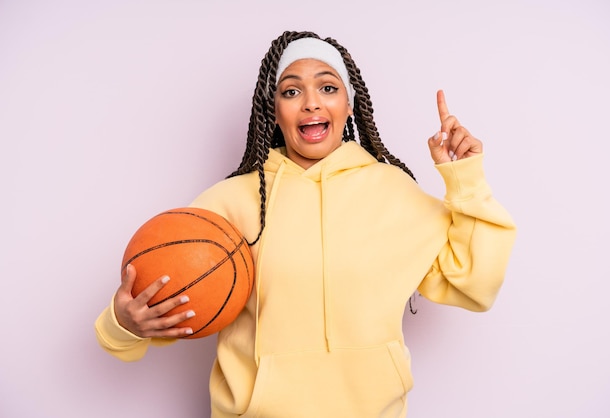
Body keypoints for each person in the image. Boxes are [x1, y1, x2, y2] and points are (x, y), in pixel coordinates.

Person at [95, 30, 516, 418]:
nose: (311, 102)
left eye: (328, 87)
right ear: (273, 111)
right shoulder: (230, 204)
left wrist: (465, 179)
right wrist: (123, 323)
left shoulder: (394, 193)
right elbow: (172, 304)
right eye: (291, 90)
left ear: (348, 104)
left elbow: (474, 285)